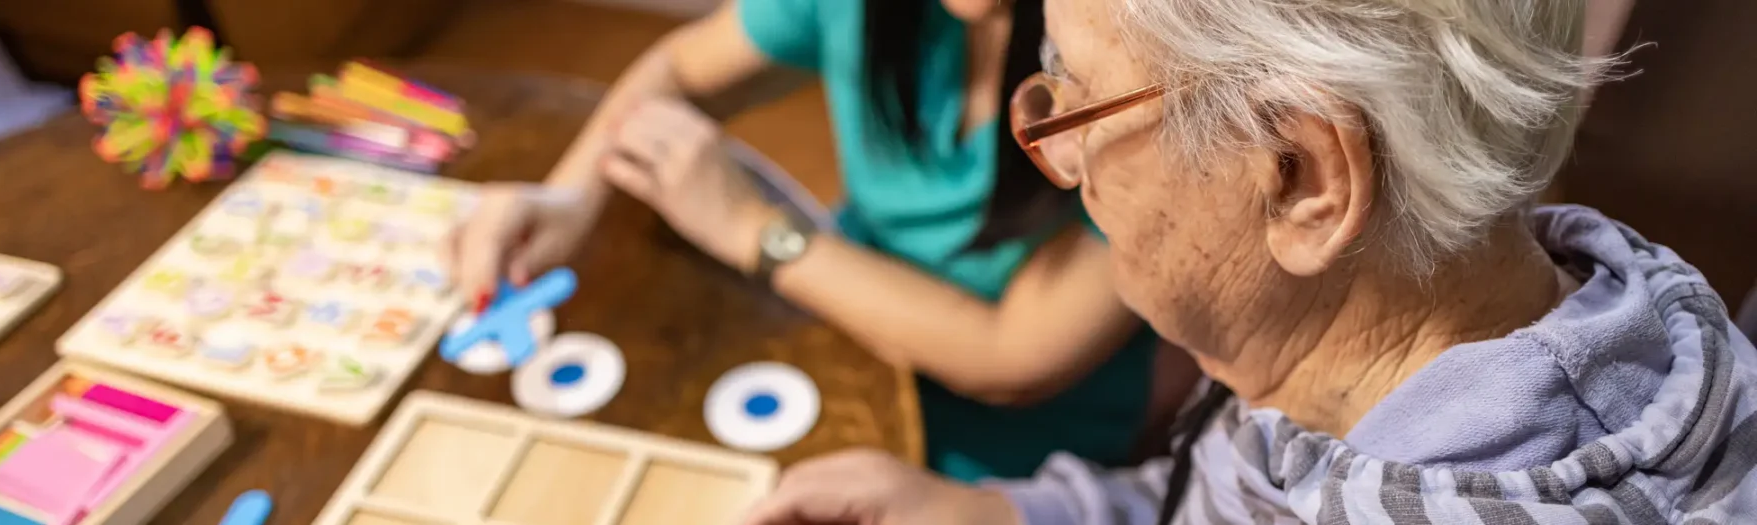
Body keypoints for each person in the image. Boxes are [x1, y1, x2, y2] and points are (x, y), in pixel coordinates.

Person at [737, 0, 1757, 523]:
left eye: (1074, 98)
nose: (1056, 155)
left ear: (1303, 177)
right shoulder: (1365, 337)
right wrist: (998, 514)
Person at [444, 0, 1198, 481]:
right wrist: (572, 193)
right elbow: (678, 66)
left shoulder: (1138, 71)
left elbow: (1009, 360)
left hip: (1015, 455)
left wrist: (757, 231)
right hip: (840, 328)